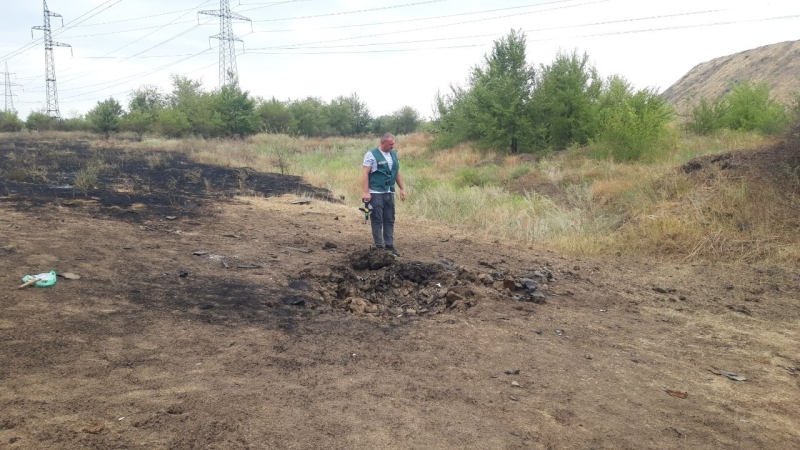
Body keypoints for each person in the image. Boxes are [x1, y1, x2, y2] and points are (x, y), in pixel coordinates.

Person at [362, 132, 407, 256]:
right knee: (377, 219)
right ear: (383, 143)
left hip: (389, 191)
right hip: (376, 192)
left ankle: (389, 245)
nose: (392, 146)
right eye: (390, 144)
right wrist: (366, 192)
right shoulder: (371, 155)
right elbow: (365, 173)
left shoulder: (393, 154)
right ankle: (379, 247)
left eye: (393, 144)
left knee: (390, 219)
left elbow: (396, 172)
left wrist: (402, 189)